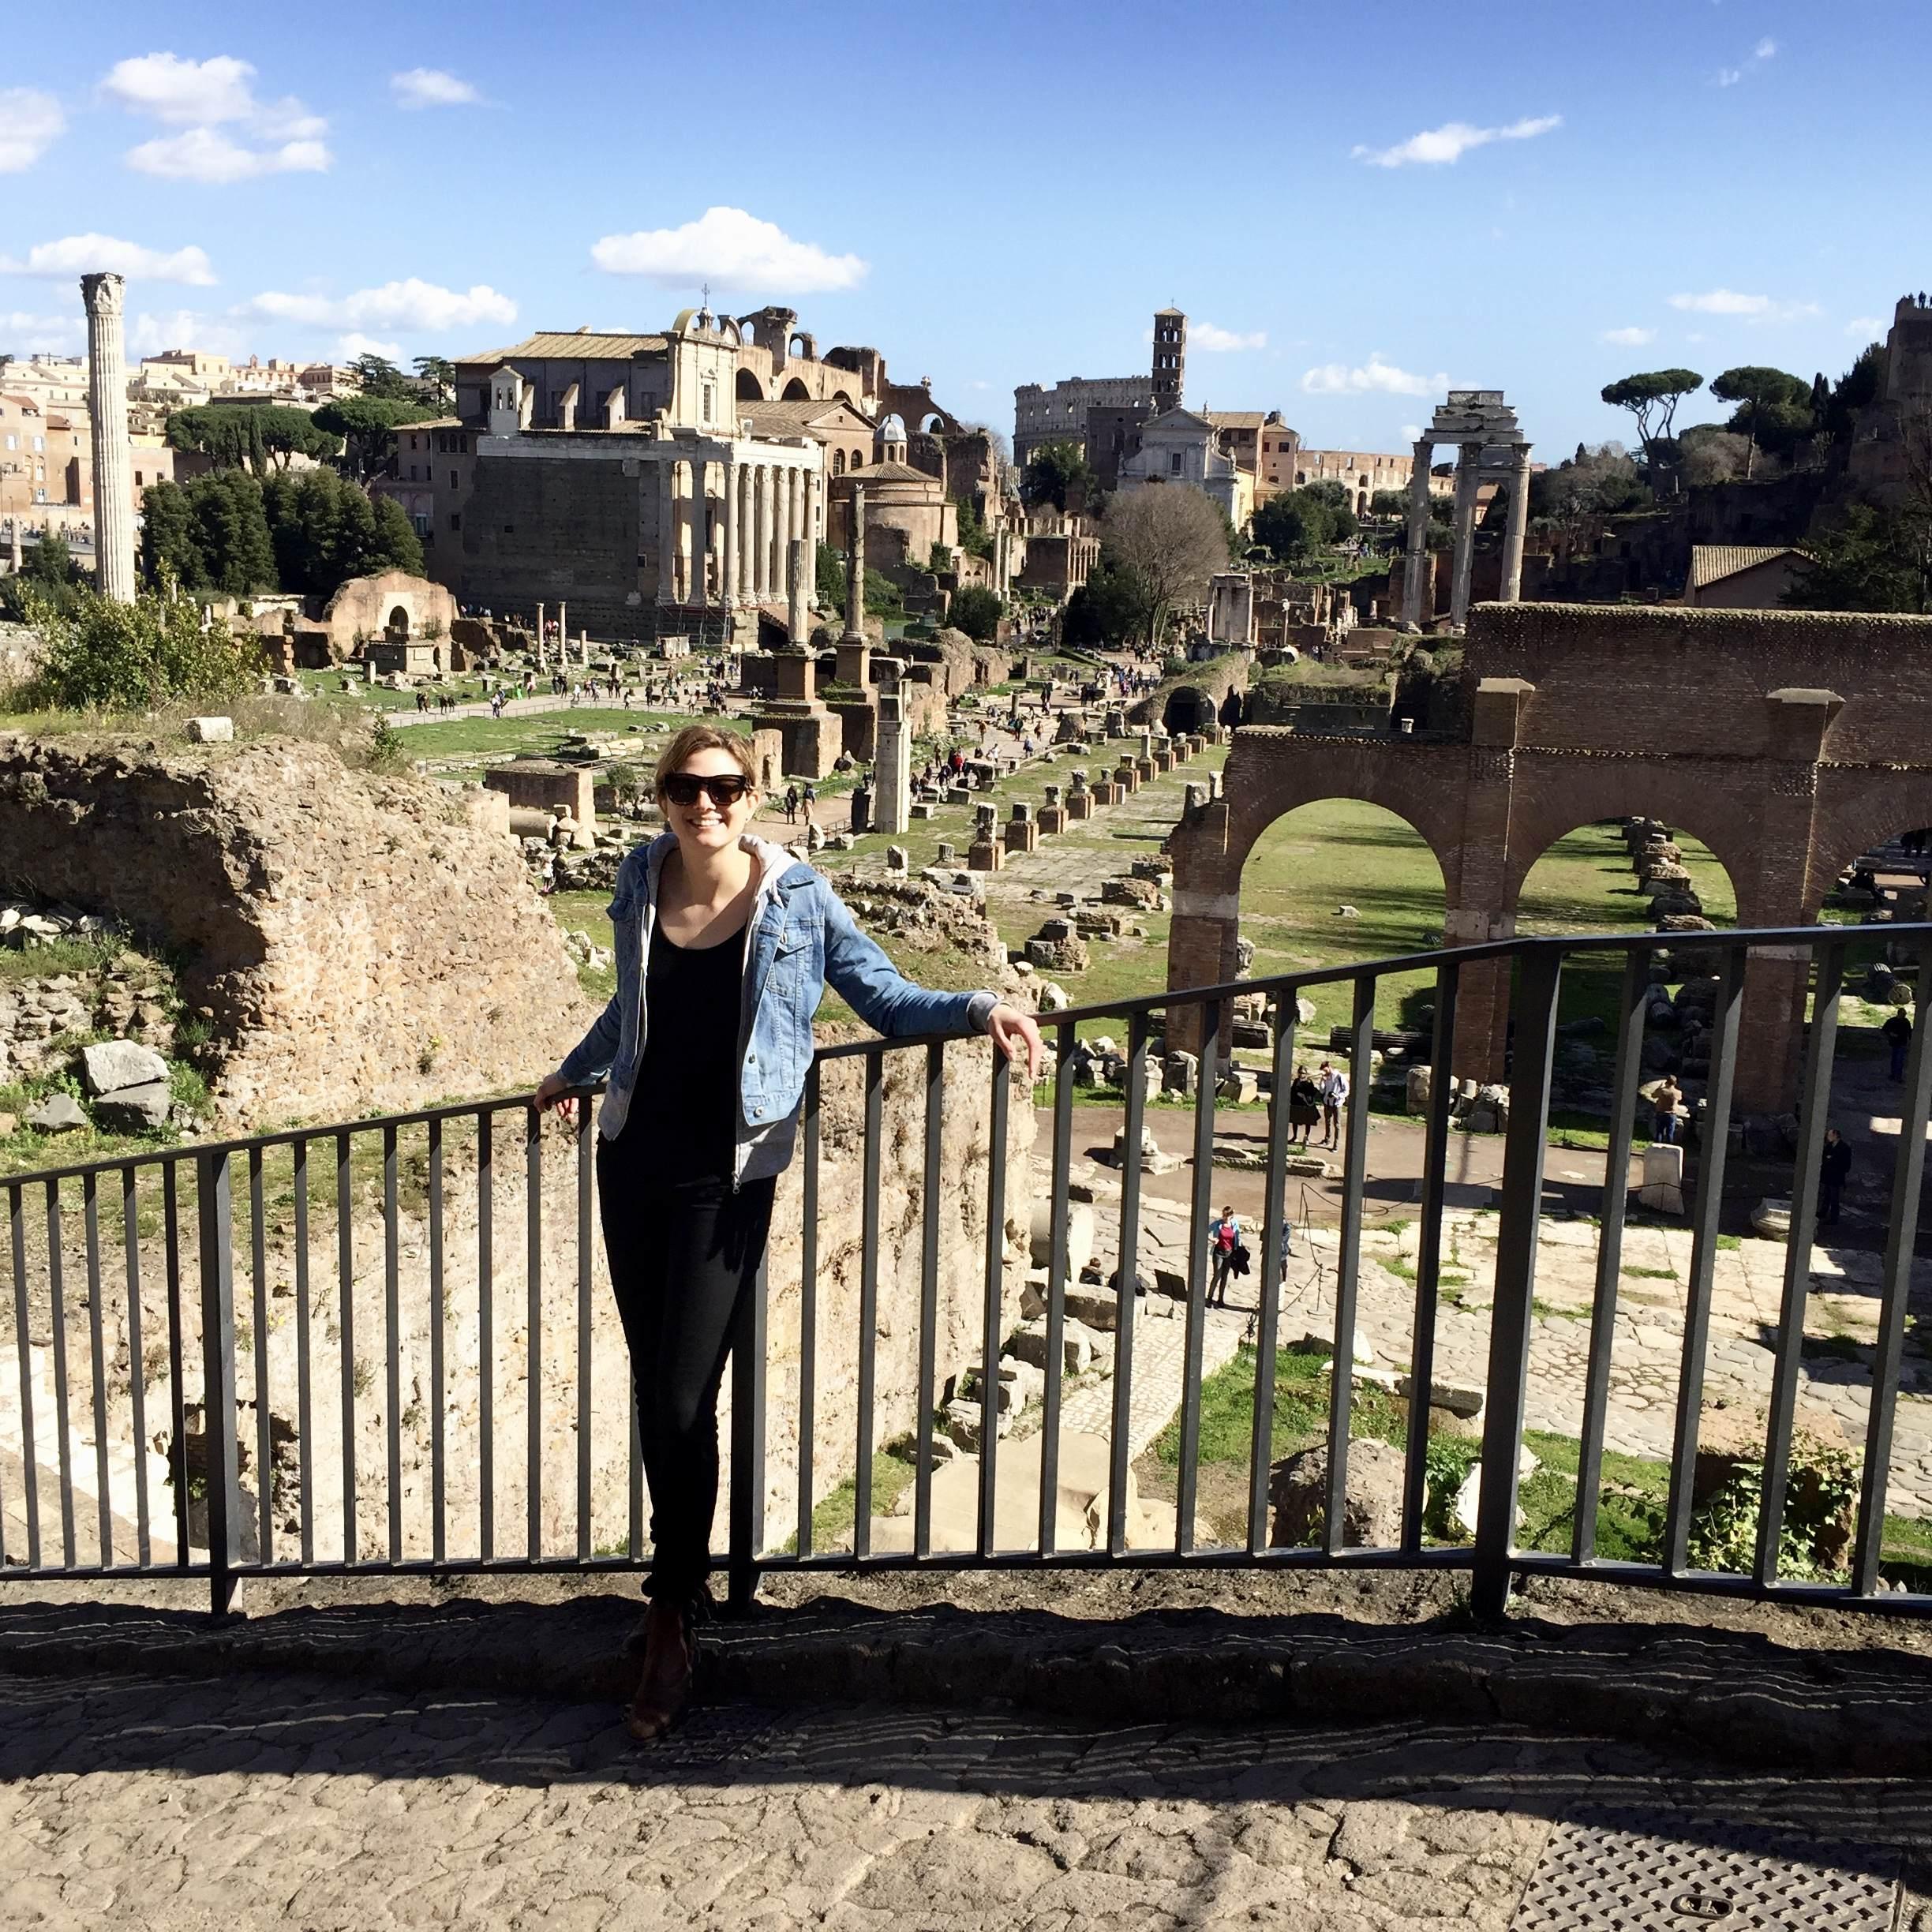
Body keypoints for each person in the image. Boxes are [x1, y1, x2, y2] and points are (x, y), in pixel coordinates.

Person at [534, 725, 1042, 1744]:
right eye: (684, 786)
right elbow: (632, 1010)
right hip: (630, 1159)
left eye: (723, 787)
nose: (704, 803)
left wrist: (983, 1003)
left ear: (752, 797)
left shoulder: (797, 900)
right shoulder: (640, 879)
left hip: (726, 1173)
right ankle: (684, 1593)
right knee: (653, 1385)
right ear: (663, 796)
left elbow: (883, 999)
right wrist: (572, 1071)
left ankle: (672, 1613)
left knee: (685, 1392)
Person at [1208, 1204, 1241, 1306]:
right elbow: (1205, 1230)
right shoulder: (1218, 1224)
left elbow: (1237, 1237)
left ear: (1231, 1216)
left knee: (1224, 1277)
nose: (1225, 1218)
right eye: (1224, 1215)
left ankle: (1220, 1299)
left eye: (1227, 1216)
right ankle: (1210, 1297)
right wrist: (1211, 1239)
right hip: (1219, 1253)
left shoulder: (1234, 1224)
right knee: (1217, 1275)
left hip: (1229, 1253)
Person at [1819, 1126, 1852, 1225]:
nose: (1828, 1137)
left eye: (1830, 1135)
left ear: (1836, 1136)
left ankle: (1834, 1218)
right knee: (1826, 1196)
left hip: (1836, 1177)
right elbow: (1824, 1157)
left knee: (1834, 1198)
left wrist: (1831, 1160)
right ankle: (1823, 1213)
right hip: (1828, 1175)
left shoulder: (1844, 1148)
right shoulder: (1829, 1146)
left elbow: (1846, 1164)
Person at [1316, 1060, 1349, 1151]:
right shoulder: (1327, 1078)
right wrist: (1322, 1081)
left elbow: (1346, 1090)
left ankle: (1336, 1145)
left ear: (1329, 1067)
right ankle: (1327, 1139)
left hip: (1337, 1104)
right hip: (1327, 1103)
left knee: (1337, 1124)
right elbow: (1322, 1091)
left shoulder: (1339, 1077)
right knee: (1328, 1122)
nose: (1324, 1072)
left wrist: (1338, 1096)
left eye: (1325, 1070)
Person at [1287, 1065, 1321, 1150]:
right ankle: (1295, 1136)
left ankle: (1307, 1137)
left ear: (1306, 1074)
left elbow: (1312, 1093)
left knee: (1308, 1121)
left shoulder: (1309, 1082)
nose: (1301, 1074)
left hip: (1306, 1104)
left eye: (1303, 1073)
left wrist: (1304, 1096)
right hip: (1297, 1103)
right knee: (1295, 1120)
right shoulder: (1296, 1081)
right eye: (1300, 1073)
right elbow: (1293, 1091)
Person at [1884, 1007, 1912, 1084]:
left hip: (1901, 1043)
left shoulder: (1906, 1022)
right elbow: (1885, 1029)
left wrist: (1910, 1041)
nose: (1903, 1016)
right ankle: (1894, 1075)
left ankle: (1897, 1076)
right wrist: (1890, 1034)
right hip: (1895, 1043)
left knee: (1899, 1061)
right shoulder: (1893, 1021)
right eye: (1902, 1014)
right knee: (1895, 1060)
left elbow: (1909, 1032)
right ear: (1899, 1014)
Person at [1652, 1076, 1683, 1146]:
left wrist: (1660, 1088)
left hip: (1661, 1113)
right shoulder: (1678, 1092)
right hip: (1672, 1114)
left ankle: (1657, 1148)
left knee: (1659, 1132)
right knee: (1670, 1133)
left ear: (1666, 1082)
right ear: (1675, 1083)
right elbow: (1680, 1099)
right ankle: (1669, 1149)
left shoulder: (1662, 1091)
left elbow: (1653, 1095)